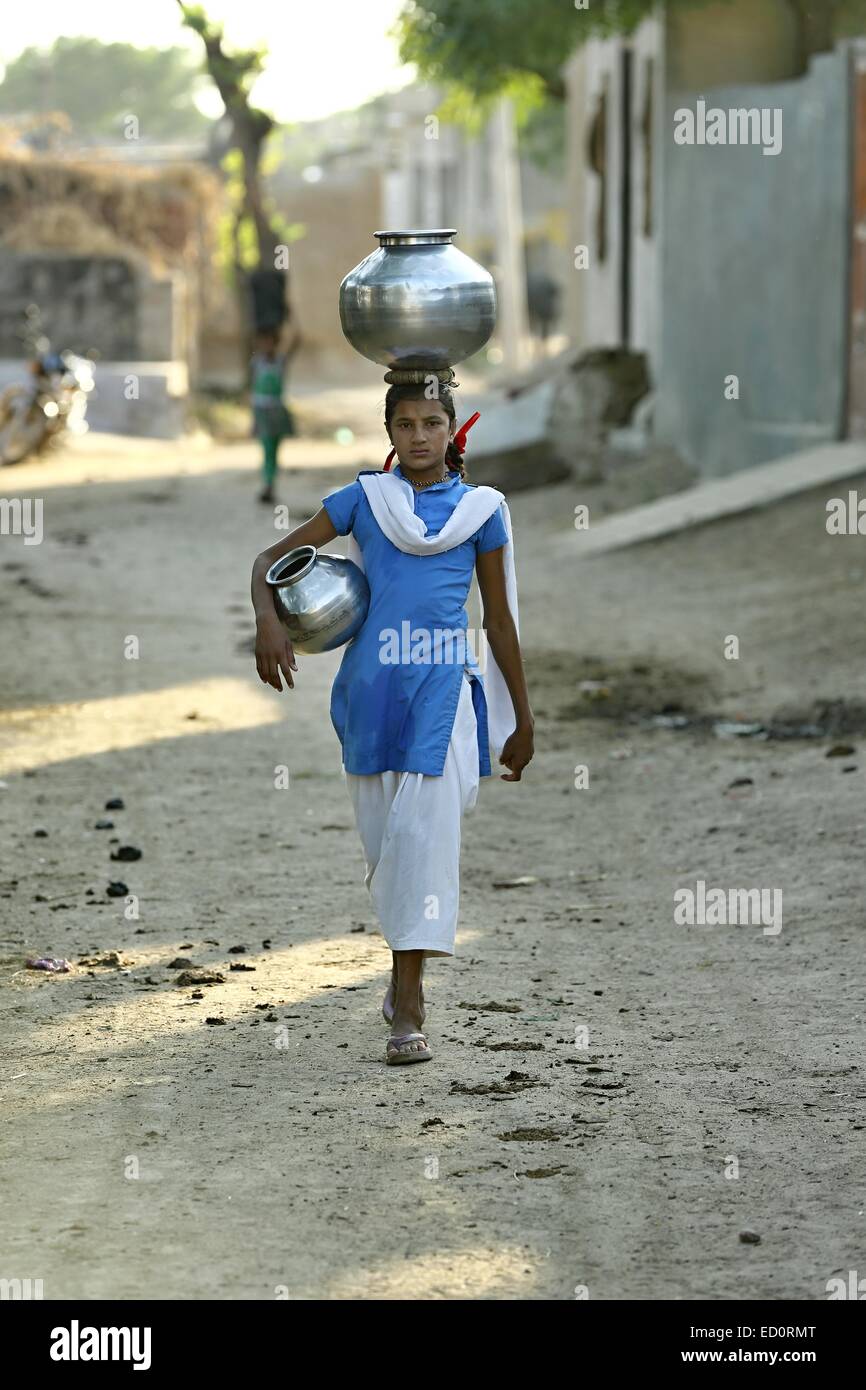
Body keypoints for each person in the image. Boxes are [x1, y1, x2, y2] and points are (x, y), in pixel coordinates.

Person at [250, 382, 534, 1065]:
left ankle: (409, 1005)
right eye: (405, 424)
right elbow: (267, 564)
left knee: (422, 840)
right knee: (388, 850)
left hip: (442, 689)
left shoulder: (481, 511)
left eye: (432, 422)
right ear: (389, 432)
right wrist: (268, 624)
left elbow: (498, 620)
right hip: (371, 694)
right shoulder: (365, 500)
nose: (419, 436)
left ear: (451, 431)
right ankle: (402, 972)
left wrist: (522, 717)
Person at [249, 325, 297, 504]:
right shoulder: (256, 363)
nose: (266, 345)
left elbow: (297, 341)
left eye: (270, 341)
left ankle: (270, 483)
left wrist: (292, 321)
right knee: (267, 448)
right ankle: (268, 484)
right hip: (262, 412)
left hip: (277, 411)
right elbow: (252, 389)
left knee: (274, 449)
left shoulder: (281, 361)